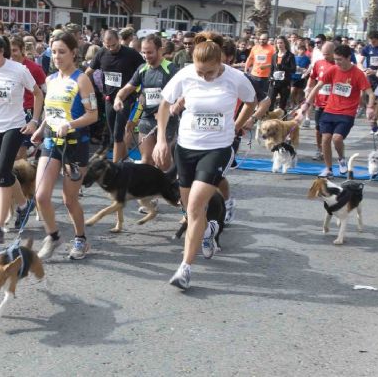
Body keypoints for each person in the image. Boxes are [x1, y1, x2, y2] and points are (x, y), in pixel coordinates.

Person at [153, 32, 256, 290]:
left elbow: (252, 102)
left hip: (217, 148)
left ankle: (185, 268)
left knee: (196, 207)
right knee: (189, 210)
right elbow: (165, 105)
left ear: (220, 62)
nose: (203, 76)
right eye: (200, 71)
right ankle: (209, 230)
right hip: (186, 147)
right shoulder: (186, 74)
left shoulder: (235, 78)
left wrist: (237, 125)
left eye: (209, 72)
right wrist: (162, 141)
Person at [32, 32, 98, 260]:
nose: (57, 56)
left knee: (69, 199)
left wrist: (69, 124)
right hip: (51, 142)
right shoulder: (50, 80)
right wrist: (40, 130)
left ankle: (81, 239)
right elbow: (50, 113)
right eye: (54, 52)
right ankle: (53, 236)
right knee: (40, 196)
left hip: (75, 146)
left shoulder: (82, 80)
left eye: (62, 52)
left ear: (73, 53)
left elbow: (93, 115)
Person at [0, 34, 44, 244]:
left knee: (2, 172)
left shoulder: (19, 70)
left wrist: (35, 121)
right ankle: (23, 205)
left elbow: (38, 94)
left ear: (1, 52)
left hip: (14, 126)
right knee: (2, 172)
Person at [296, 45, 373, 178]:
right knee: (325, 139)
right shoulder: (333, 70)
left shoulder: (358, 74)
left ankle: (341, 158)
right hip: (330, 110)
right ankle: (328, 168)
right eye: (335, 59)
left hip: (347, 113)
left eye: (340, 60)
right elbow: (317, 87)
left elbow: (370, 93)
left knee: (337, 139)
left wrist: (370, 107)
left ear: (349, 58)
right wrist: (307, 104)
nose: (337, 62)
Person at [114, 34, 179, 169]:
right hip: (147, 119)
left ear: (160, 50)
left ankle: (166, 188)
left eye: (150, 52)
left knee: (163, 164)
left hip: (167, 122)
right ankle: (148, 189)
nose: (146, 56)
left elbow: (181, 95)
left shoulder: (171, 69)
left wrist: (172, 108)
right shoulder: (142, 69)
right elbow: (126, 89)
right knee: (146, 161)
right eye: (143, 52)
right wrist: (118, 98)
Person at [85, 30, 144, 162]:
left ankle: (116, 166)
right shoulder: (101, 53)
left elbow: (144, 70)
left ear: (119, 40)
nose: (111, 48)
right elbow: (88, 72)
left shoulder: (131, 53)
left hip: (126, 98)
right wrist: (84, 88)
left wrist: (141, 91)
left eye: (114, 45)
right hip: (109, 99)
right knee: (113, 134)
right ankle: (124, 159)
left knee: (118, 134)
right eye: (108, 46)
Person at [9, 35, 47, 159]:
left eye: (14, 50)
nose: (12, 54)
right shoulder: (5, 67)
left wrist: (39, 116)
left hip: (27, 111)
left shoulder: (34, 67)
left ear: (22, 50)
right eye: (9, 51)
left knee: (21, 152)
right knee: (10, 150)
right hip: (10, 111)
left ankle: (23, 175)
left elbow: (45, 89)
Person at [305, 42, 336, 161]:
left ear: (334, 52)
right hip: (320, 102)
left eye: (328, 54)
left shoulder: (339, 65)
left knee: (330, 130)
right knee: (318, 127)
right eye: (323, 54)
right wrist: (308, 89)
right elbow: (312, 78)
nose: (325, 56)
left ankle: (327, 149)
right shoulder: (319, 64)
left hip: (334, 104)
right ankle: (319, 149)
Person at [245, 32, 275, 104]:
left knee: (263, 95)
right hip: (254, 74)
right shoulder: (255, 48)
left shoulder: (272, 49)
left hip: (265, 76)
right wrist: (246, 68)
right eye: (260, 39)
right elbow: (250, 58)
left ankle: (261, 110)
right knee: (253, 93)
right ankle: (253, 109)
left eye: (264, 39)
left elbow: (275, 62)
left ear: (267, 40)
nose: (261, 41)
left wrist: (267, 65)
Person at [269, 36, 296, 111]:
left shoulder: (290, 55)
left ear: (285, 44)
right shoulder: (274, 55)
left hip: (285, 83)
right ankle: (269, 120)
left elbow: (293, 70)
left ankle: (282, 121)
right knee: (270, 102)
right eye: (278, 43)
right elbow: (272, 68)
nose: (279, 45)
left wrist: (283, 67)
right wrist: (270, 77)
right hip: (274, 82)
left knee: (282, 104)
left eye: (281, 43)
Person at [290, 44, 310, 109]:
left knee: (299, 91)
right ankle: (291, 103)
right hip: (293, 76)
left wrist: (305, 70)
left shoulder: (307, 59)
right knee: (292, 90)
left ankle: (297, 103)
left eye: (303, 49)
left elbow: (308, 68)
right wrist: (295, 67)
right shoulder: (294, 57)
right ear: (298, 50)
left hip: (301, 77)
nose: (302, 51)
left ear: (305, 51)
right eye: (300, 49)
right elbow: (290, 66)